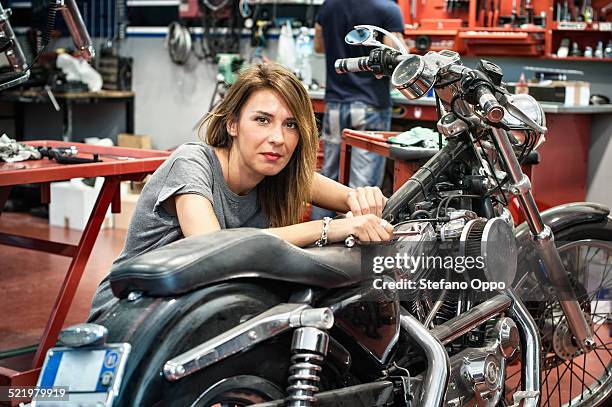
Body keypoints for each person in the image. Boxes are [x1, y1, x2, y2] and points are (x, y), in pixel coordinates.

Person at [111, 63, 394, 269]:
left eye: (291, 124)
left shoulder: (274, 171)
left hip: (209, 308)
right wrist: (329, 228)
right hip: (135, 315)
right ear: (232, 123)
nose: (277, 138)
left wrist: (364, 199)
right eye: (262, 120)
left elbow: (347, 198)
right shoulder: (191, 164)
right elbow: (214, 249)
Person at [311, 0, 405, 220]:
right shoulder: (387, 9)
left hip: (335, 104)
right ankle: (353, 248)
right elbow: (397, 56)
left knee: (327, 181)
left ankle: (316, 242)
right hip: (370, 105)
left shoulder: (328, 6)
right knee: (362, 189)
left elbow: (318, 46)